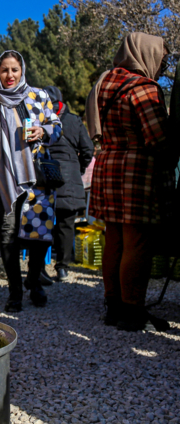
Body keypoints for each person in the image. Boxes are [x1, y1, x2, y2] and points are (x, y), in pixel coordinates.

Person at [88, 32, 174, 332]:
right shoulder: (144, 88)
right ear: (145, 53)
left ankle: (113, 306)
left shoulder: (103, 82)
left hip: (107, 166)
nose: (162, 66)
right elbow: (157, 139)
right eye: (161, 59)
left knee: (114, 240)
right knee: (137, 242)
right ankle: (133, 311)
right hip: (135, 172)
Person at [0, 51, 62, 312]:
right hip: (2, 180)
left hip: (37, 178)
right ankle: (15, 291)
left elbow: (56, 125)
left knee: (39, 235)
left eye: (14, 69)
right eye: (4, 70)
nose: (9, 75)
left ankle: (34, 282)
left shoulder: (38, 96)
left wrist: (43, 130)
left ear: (22, 70)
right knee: (7, 237)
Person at [44, 86, 93, 282]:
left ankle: (39, 268)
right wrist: (78, 168)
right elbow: (88, 149)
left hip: (45, 176)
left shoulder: (40, 119)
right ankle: (62, 268)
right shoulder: (74, 121)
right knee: (66, 225)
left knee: (43, 224)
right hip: (69, 180)